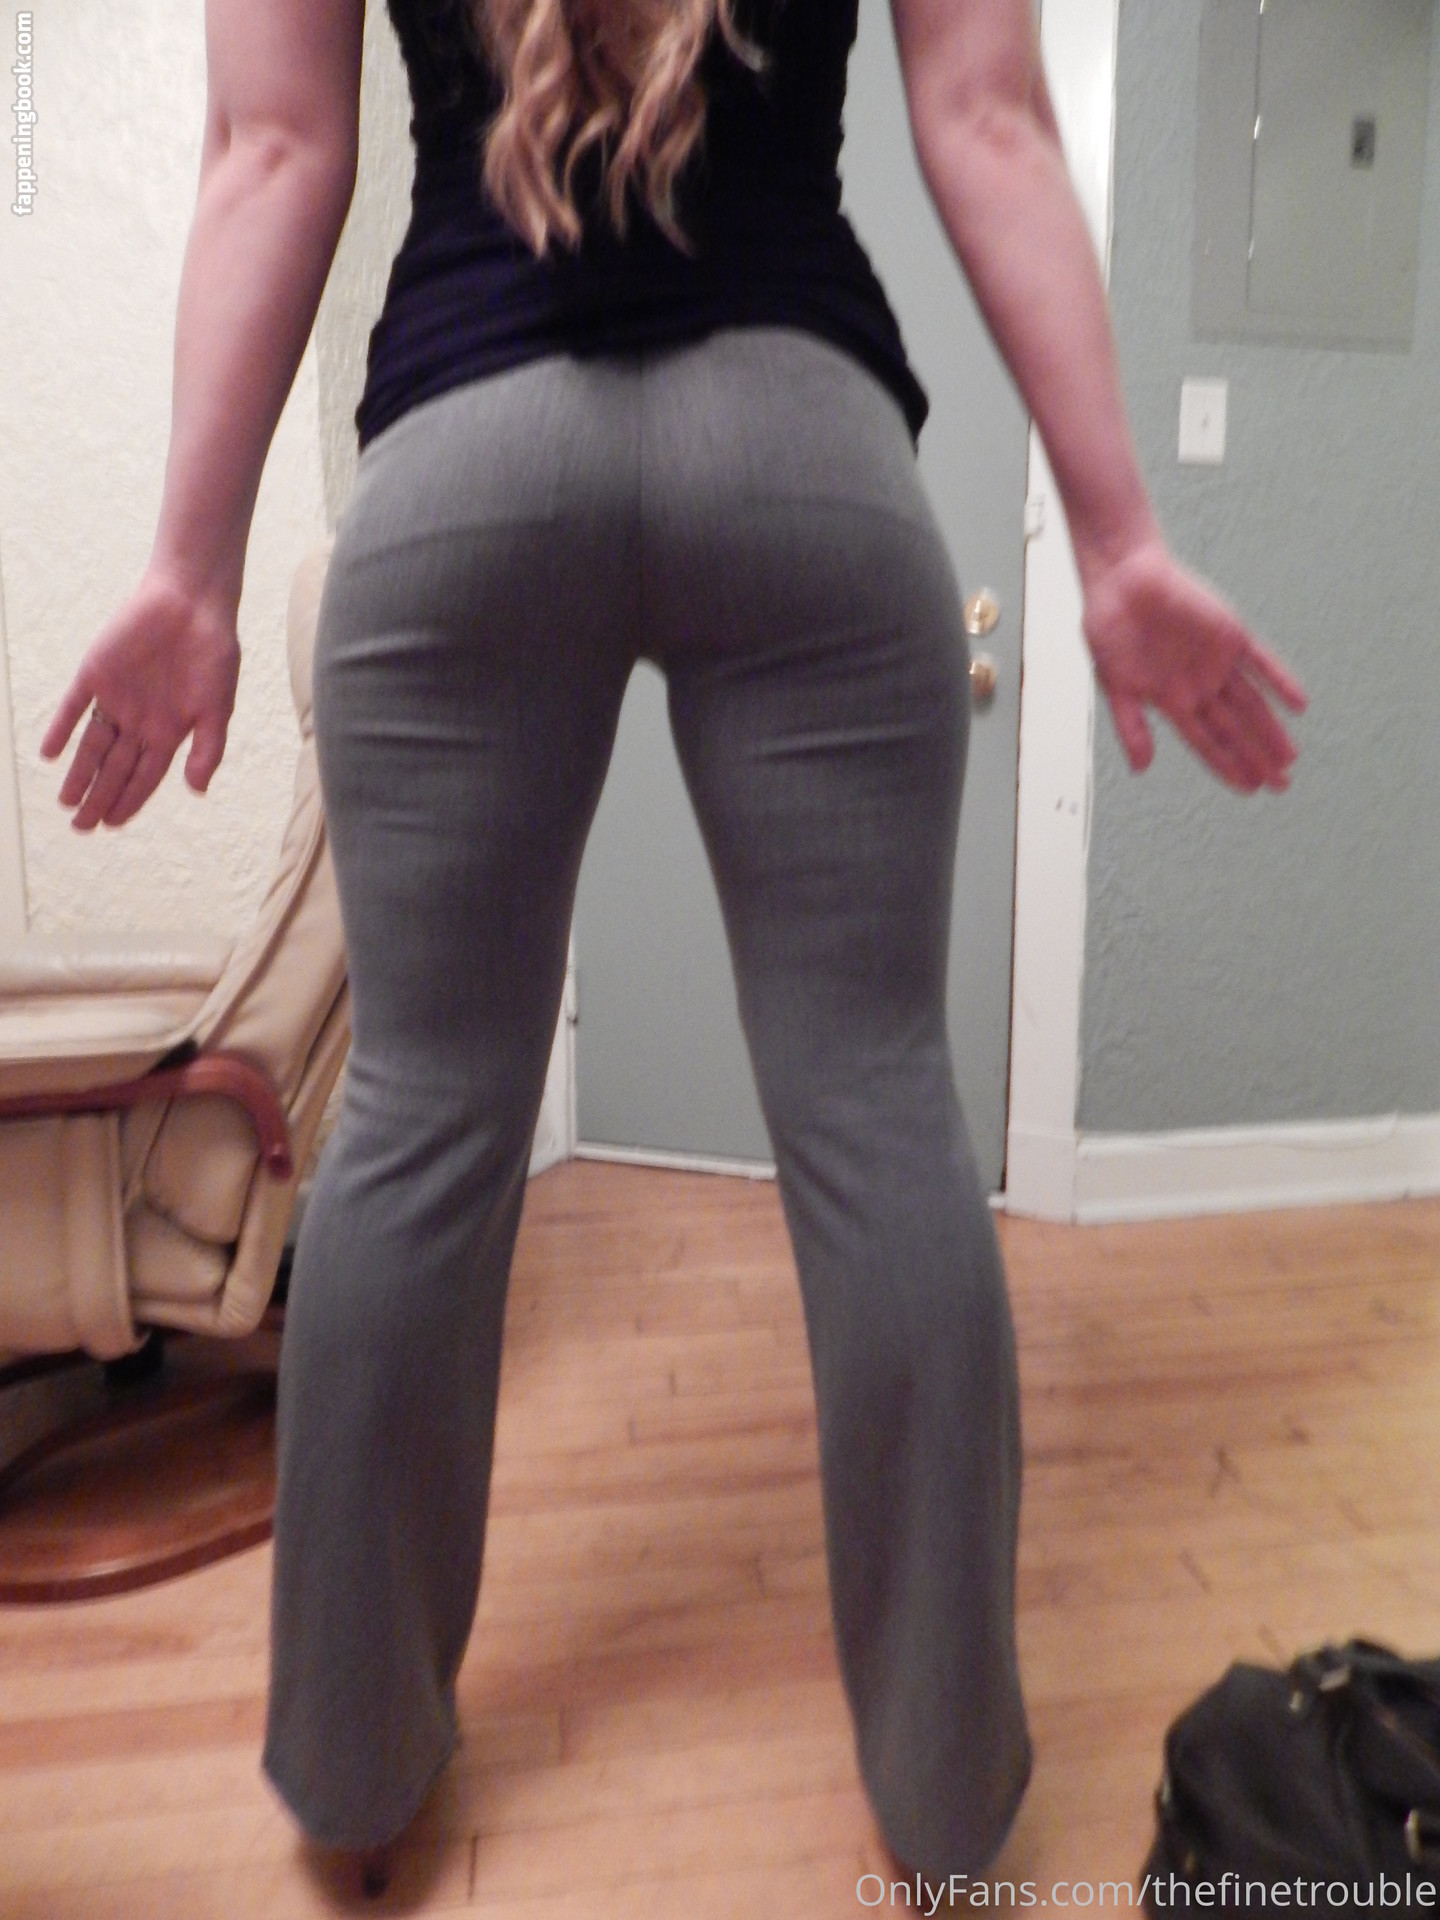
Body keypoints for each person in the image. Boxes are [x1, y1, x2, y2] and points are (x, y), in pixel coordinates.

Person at [41, 0, 1306, 1900]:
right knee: (878, 1109)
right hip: (805, 454)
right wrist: (1116, 536)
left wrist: (189, 564)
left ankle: (355, 1772)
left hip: (462, 462)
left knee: (421, 1118)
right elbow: (990, 119)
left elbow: (272, 154)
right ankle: (948, 1800)